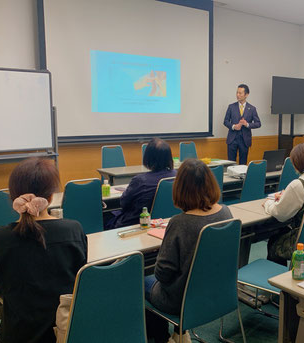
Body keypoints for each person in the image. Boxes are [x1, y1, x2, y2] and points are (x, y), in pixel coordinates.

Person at [0, 158, 87, 343]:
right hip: (64, 331)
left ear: (13, 198)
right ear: (51, 197)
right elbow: (79, 272)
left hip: (18, 335)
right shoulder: (74, 230)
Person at [145, 159, 232, 343]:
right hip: (217, 292)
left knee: (142, 281)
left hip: (181, 300)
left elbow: (163, 274)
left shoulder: (180, 222)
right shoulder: (226, 213)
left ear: (180, 189)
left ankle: (163, 338)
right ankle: (179, 334)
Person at [106, 138, 176, 229]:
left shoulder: (140, 180)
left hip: (137, 224)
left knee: (105, 216)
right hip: (166, 222)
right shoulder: (177, 176)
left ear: (148, 158)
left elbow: (123, 203)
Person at [223, 84, 261, 165]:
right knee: (230, 163)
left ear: (246, 94)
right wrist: (233, 126)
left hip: (244, 140)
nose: (238, 95)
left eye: (240, 93)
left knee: (243, 164)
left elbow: (258, 123)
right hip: (232, 139)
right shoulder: (231, 107)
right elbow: (225, 121)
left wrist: (247, 124)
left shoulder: (252, 109)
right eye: (237, 92)